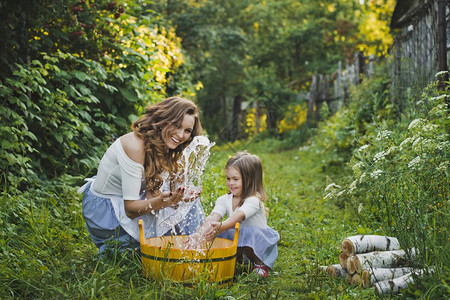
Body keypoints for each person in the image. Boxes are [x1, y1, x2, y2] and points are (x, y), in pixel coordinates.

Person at [78, 96, 205, 254]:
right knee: (157, 241)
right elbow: (130, 209)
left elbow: (154, 192)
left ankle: (195, 248)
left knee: (188, 206)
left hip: (133, 198)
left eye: (187, 131)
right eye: (176, 125)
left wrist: (178, 199)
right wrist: (163, 202)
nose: (180, 135)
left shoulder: (165, 144)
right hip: (106, 212)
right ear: (163, 119)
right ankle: (114, 248)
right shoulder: (134, 146)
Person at [187, 151, 279, 278]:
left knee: (240, 231)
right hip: (240, 238)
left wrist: (222, 226)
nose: (230, 183)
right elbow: (213, 216)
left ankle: (260, 264)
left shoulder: (254, 200)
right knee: (219, 233)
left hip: (258, 243)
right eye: (228, 178)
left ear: (250, 180)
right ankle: (235, 259)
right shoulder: (224, 199)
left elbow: (238, 216)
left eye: (236, 179)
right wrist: (199, 233)